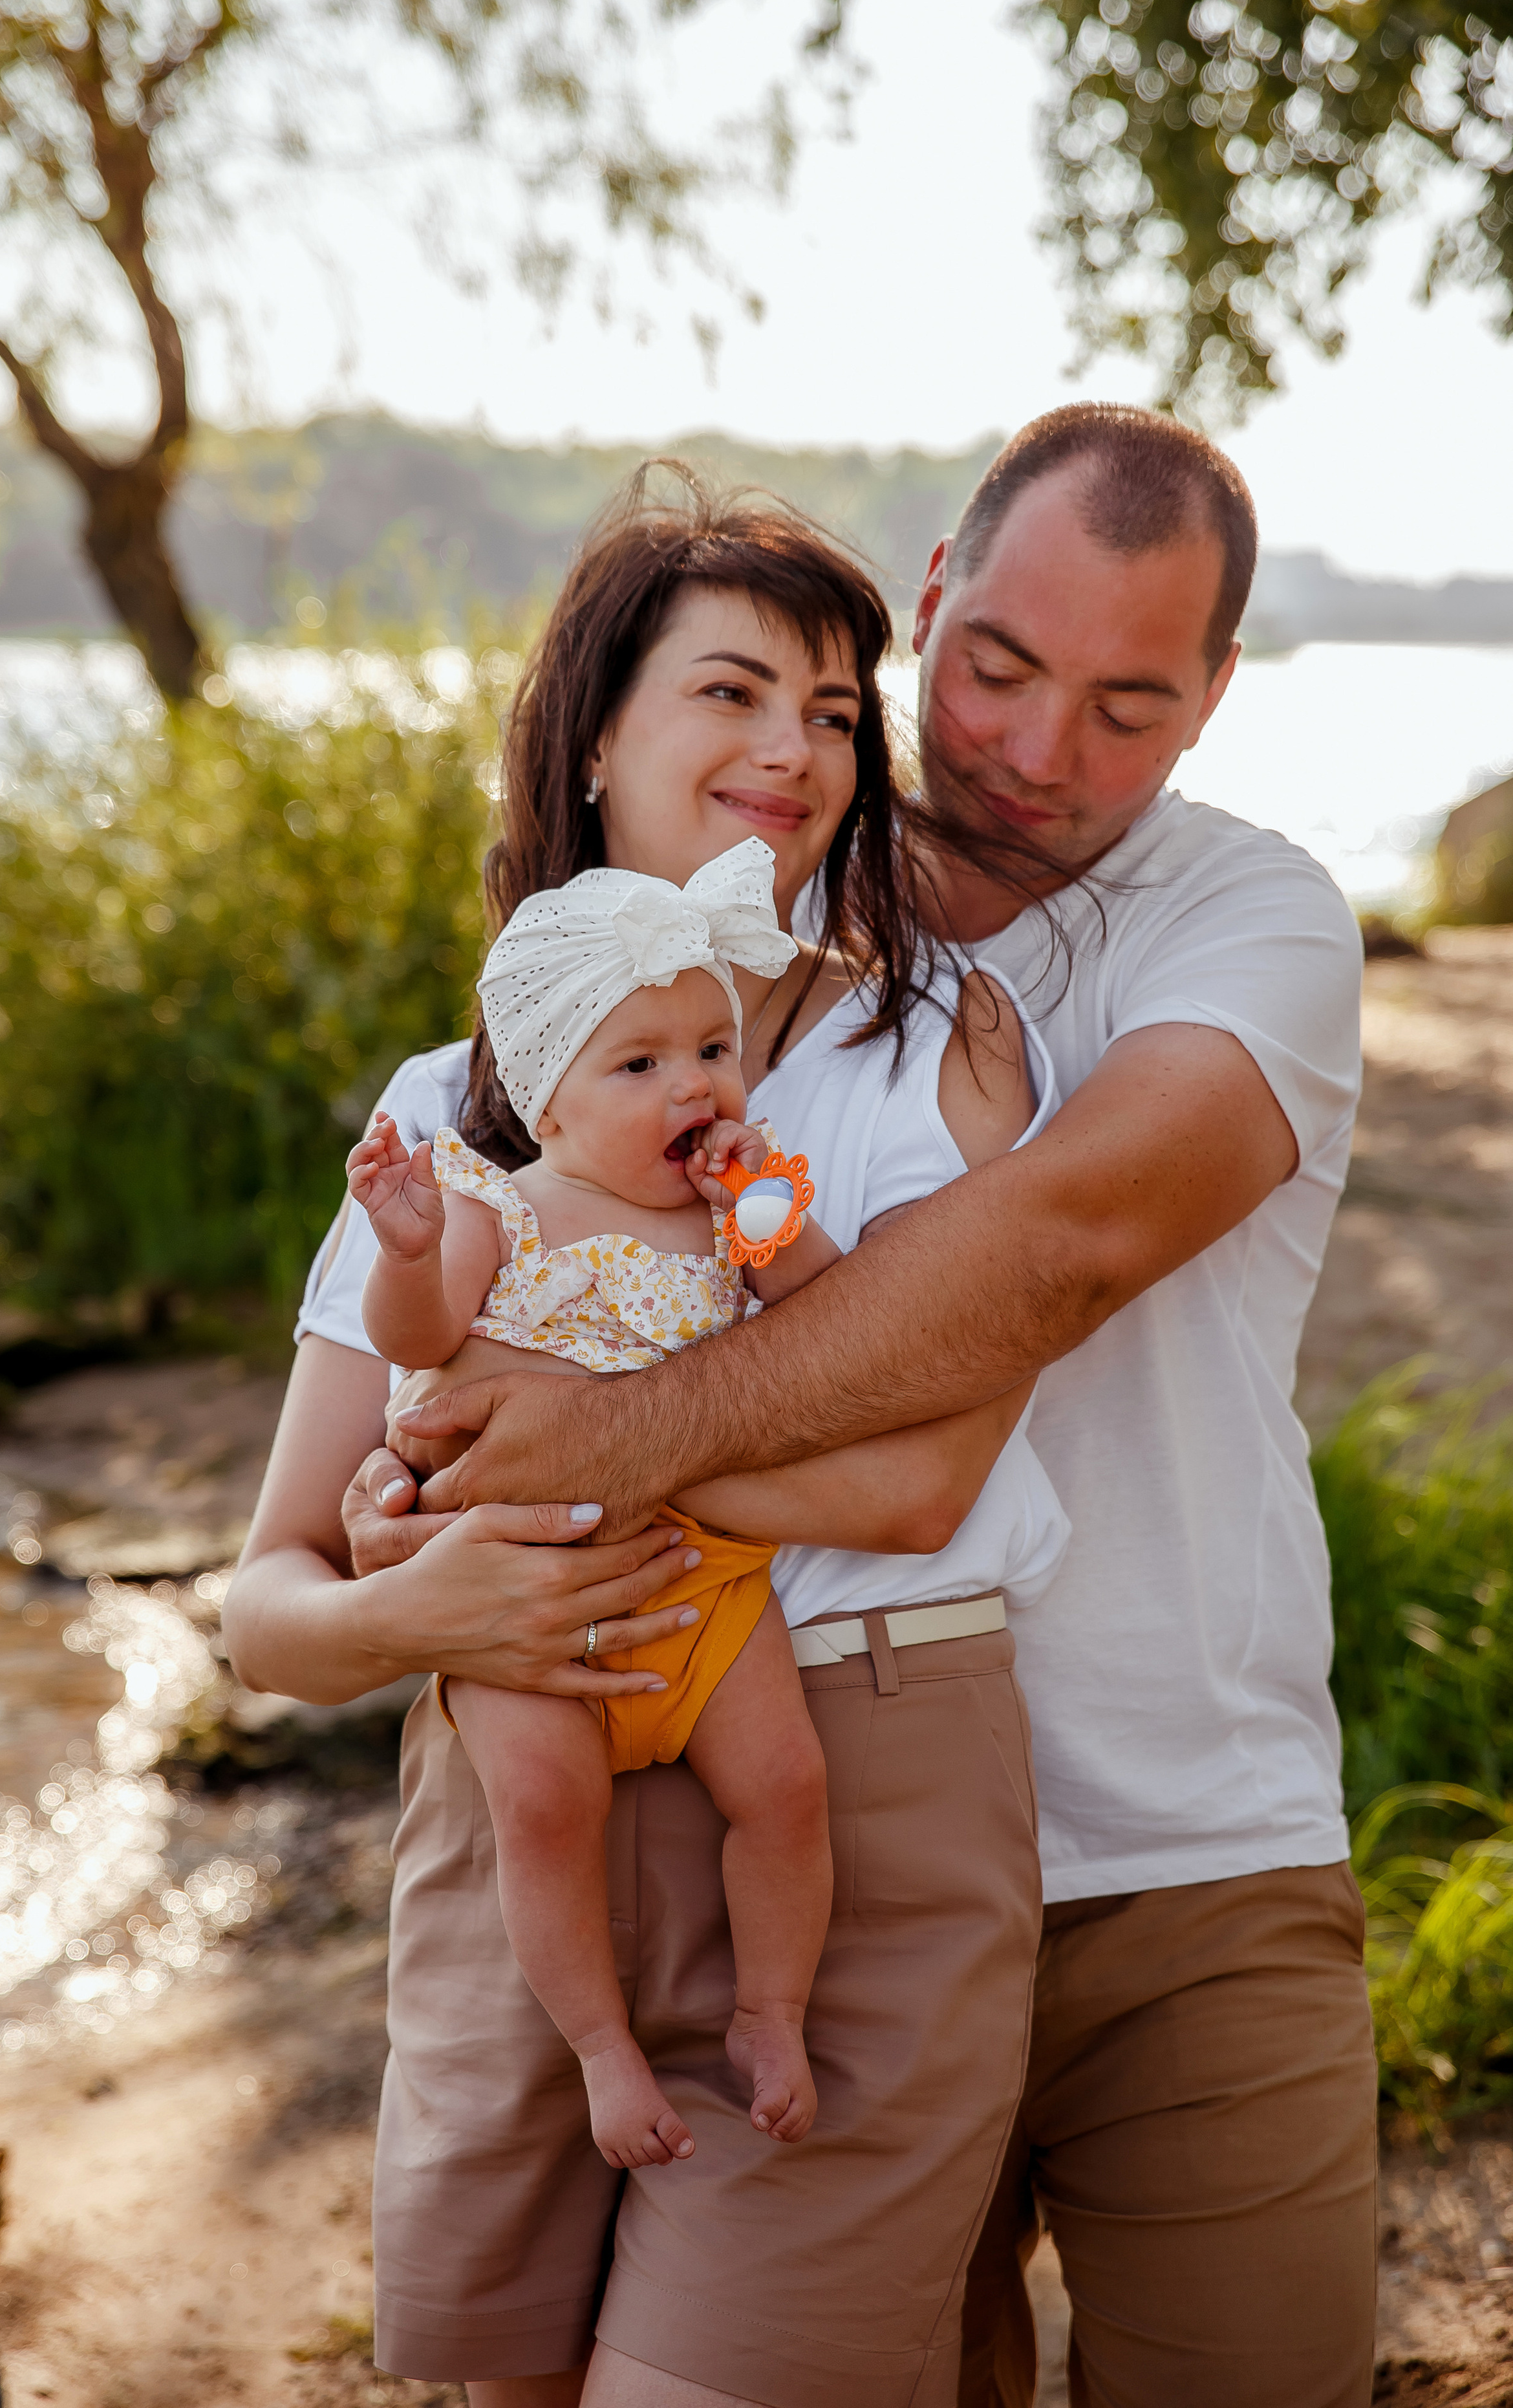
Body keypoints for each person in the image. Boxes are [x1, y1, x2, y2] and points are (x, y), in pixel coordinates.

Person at [396, 407, 1377, 2408]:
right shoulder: (743, 971)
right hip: (830, 1845)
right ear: (931, 601)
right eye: (999, 668)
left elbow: (1060, 1251)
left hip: (1187, 1839)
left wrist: (591, 1449)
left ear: (1216, 699)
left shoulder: (1250, 921)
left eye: (1127, 705)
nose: (1033, 750)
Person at [224, 468, 1067, 2405]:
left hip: (830, 1757)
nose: (796, 748)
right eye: (734, 693)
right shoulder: (456, 1103)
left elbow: (925, 1475)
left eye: (841, 711)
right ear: (595, 732)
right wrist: (428, 1612)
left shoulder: (935, 1058)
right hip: (512, 1797)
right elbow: (266, 1606)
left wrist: (542, 1448)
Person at [343, 841, 850, 2167]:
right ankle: (602, 2051)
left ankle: (768, 2012)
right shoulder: (494, 1206)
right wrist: (402, 1248)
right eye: (640, 1065)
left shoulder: (732, 1209)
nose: (694, 1083)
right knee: (546, 1814)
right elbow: (422, 1327)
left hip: (706, 1585)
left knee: (788, 1788)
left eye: (713, 1050)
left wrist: (769, 1219)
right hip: (525, 1601)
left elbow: (835, 1325)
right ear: (545, 1099)